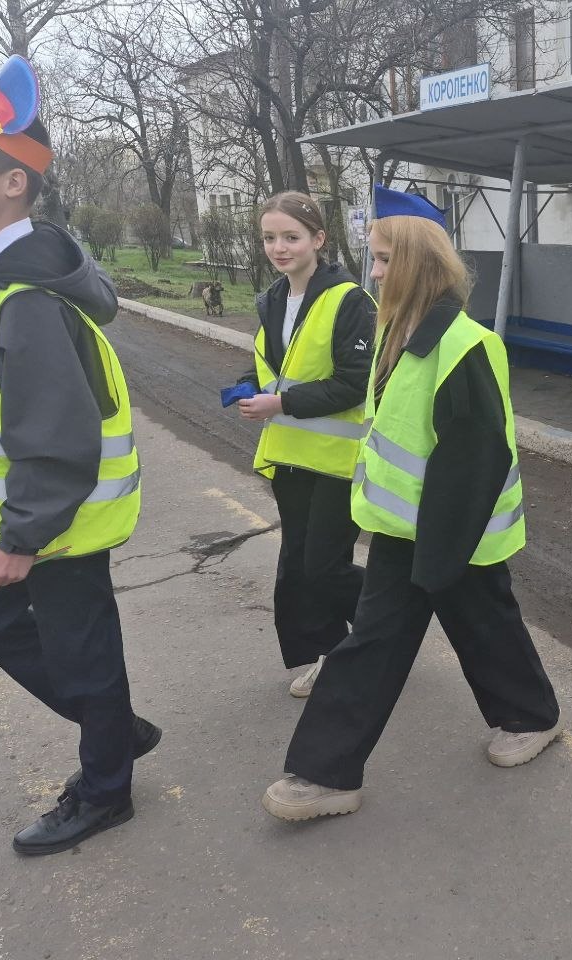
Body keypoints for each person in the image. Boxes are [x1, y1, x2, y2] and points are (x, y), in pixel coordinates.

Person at [261, 185, 562, 822]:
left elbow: (474, 463)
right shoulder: (400, 332)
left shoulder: (465, 346)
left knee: (451, 628)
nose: (373, 271)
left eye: (383, 258)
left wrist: (437, 561)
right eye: (372, 257)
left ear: (421, 262)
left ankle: (327, 773)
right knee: (465, 627)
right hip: (415, 529)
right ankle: (528, 717)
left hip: (451, 534)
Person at [0, 56, 156, 856]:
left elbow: (56, 435)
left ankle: (105, 790)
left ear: (13, 182)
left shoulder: (24, 297)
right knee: (0, 630)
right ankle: (115, 731)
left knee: (80, 653)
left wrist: (21, 538)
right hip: (42, 522)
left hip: (58, 525)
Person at [229, 192, 375, 696]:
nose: (279, 247)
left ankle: (386, 628)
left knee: (324, 567)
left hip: (337, 460)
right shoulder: (272, 299)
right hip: (290, 456)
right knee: (297, 565)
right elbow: (277, 366)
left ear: (318, 239)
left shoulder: (351, 300)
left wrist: (281, 405)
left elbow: (356, 382)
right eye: (270, 238)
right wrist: (251, 385)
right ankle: (333, 651)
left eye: (291, 237)